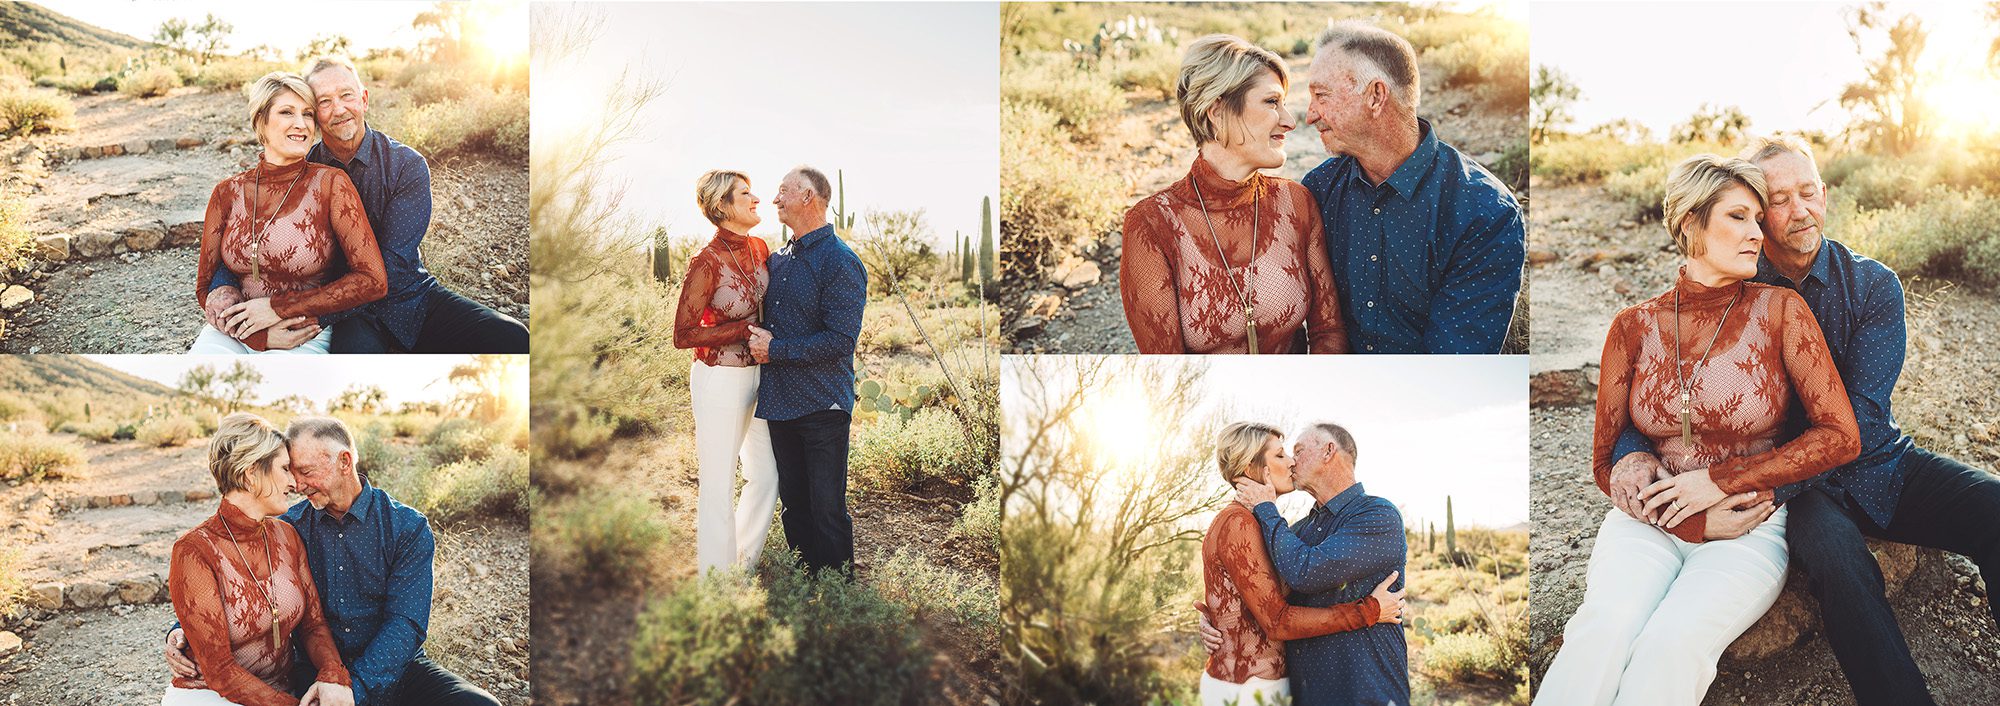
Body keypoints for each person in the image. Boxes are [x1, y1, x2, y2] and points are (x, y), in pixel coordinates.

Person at [1608, 136, 2000, 706]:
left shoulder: (1871, 285)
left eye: (1808, 193)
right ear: (1756, 214)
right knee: (1841, 566)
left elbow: (1861, 422)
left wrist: (1740, 482)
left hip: (1875, 464)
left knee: (1994, 508)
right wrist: (1630, 452)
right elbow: (1662, 390)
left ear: (1826, 194)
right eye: (1779, 200)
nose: (1800, 211)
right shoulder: (1729, 279)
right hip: (1796, 494)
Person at [1536, 154, 1861, 705]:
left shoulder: (1781, 310)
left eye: (1759, 219)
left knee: (1673, 645)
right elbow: (1606, 459)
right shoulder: (1633, 326)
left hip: (1749, 527)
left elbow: (1839, 434)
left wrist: (1722, 485)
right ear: (1691, 222)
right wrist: (1689, 520)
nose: (1758, 233)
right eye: (1739, 217)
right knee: (1601, 632)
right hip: (1649, 523)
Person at [167, 417, 500, 705]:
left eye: (305, 471)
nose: (296, 485)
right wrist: (182, 630)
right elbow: (230, 580)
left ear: (344, 462)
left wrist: (351, 687)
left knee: (478, 704)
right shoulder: (290, 525)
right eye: (290, 471)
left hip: (392, 667)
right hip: (311, 670)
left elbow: (406, 623)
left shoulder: (405, 528)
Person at [207, 56, 529, 354]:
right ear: (315, 114)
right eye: (324, 102)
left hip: (410, 297)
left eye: (346, 96)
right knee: (353, 367)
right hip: (341, 313)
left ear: (364, 99)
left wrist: (300, 309)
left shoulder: (406, 164)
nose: (339, 109)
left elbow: (393, 267)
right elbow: (250, 239)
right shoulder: (299, 169)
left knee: (512, 338)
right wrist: (224, 288)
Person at [1298, 22, 1525, 354]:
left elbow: (1454, 364)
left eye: (1321, 95)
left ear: (1376, 96)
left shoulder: (1485, 212)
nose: (1310, 115)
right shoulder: (1318, 189)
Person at [1120, 34, 1347, 354]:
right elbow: (1167, 373)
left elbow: (1328, 331)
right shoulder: (1152, 224)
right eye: (1271, 102)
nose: (1290, 121)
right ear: (1217, 110)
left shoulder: (1296, 203)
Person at [1198, 422, 1403, 706]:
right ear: (1251, 467)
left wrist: (1266, 509)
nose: (1292, 462)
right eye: (1283, 455)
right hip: (1287, 692)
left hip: (1365, 691)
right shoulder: (1292, 532)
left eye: (1298, 451)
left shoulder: (1377, 514)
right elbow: (1270, 600)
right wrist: (1217, 617)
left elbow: (1303, 573)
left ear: (1329, 451)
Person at [192, 72, 386, 354]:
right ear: (261, 121)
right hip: (237, 331)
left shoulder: (331, 183)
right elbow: (205, 285)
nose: (301, 124)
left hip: (301, 332)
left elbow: (373, 280)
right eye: (286, 112)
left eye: (308, 114)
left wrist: (278, 310)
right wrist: (258, 338)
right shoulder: (227, 192)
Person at [166, 413, 353, 706]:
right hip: (211, 696)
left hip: (283, 692)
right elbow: (220, 672)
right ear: (251, 473)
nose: (295, 483)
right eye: (284, 469)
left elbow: (313, 625)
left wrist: (332, 675)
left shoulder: (287, 536)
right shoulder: (193, 551)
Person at [745, 166, 867, 577]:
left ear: (809, 197)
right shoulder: (777, 260)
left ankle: (836, 599)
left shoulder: (841, 262)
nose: (775, 199)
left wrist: (774, 349)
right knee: (794, 506)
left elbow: (840, 341)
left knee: (827, 509)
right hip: (780, 405)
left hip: (822, 406)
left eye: (783, 191)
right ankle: (805, 587)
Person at [676, 169, 779, 573]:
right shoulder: (707, 262)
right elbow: (683, 334)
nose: (756, 199)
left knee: (768, 475)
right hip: (720, 379)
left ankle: (741, 566)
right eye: (745, 194)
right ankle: (715, 585)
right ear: (722, 207)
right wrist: (743, 330)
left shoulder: (759, 247)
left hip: (761, 376)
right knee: (718, 485)